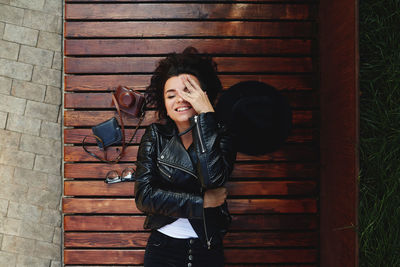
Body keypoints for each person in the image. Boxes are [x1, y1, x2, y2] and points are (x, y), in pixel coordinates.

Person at [134, 46, 237, 267]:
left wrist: (206, 116)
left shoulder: (221, 134)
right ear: (165, 105)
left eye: (188, 91)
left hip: (207, 248)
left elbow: (213, 179)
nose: (180, 99)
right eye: (171, 95)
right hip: (162, 250)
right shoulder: (155, 136)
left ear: (204, 96)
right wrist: (202, 202)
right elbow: (145, 197)